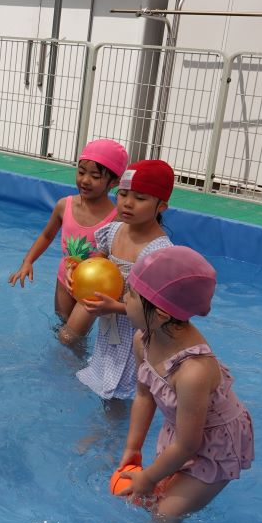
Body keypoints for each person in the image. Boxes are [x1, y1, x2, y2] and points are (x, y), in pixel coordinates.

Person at [114, 246, 254, 518]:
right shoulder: (143, 340)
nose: (123, 297)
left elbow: (189, 445)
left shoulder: (193, 372)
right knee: (150, 501)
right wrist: (133, 448)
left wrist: (149, 477)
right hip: (184, 430)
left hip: (214, 444)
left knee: (166, 514)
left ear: (161, 314)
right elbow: (144, 396)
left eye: (131, 293)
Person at [9, 139, 128, 346]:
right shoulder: (64, 206)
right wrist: (28, 261)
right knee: (61, 325)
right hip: (65, 278)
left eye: (95, 176)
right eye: (81, 172)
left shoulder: (116, 218)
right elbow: (47, 236)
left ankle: (77, 367)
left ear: (114, 181)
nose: (85, 180)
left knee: (71, 337)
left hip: (93, 287)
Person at [75, 159, 175, 401]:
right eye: (122, 194)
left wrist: (116, 307)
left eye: (140, 199)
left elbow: (159, 312)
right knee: (105, 381)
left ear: (161, 206)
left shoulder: (158, 252)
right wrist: (79, 273)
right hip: (110, 328)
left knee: (122, 391)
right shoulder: (115, 230)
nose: (128, 203)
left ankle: (111, 435)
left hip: (136, 337)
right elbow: (99, 260)